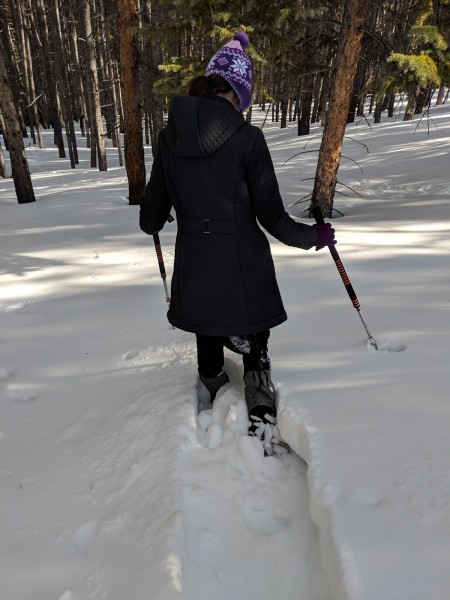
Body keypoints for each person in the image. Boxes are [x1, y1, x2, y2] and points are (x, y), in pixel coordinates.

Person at [139, 31, 335, 441]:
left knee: (206, 328)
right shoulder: (247, 139)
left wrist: (168, 215)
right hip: (243, 266)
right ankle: (259, 398)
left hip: (194, 264)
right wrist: (314, 236)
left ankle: (212, 385)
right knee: (252, 332)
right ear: (238, 94)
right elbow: (274, 219)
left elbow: (150, 218)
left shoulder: (168, 138)